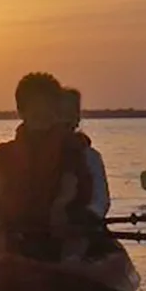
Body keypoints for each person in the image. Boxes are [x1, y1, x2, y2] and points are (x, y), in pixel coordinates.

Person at [0, 72, 116, 262]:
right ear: (21, 111)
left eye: (47, 112)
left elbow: (70, 184)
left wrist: (61, 209)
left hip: (62, 227)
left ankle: (70, 263)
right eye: (35, 112)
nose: (42, 119)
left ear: (56, 112)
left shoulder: (72, 149)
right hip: (19, 227)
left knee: (75, 230)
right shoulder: (4, 153)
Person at [61, 87, 110, 218]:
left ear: (77, 118)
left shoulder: (91, 156)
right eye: (61, 113)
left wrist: (88, 215)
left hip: (84, 224)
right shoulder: (35, 154)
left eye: (71, 113)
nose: (66, 119)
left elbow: (101, 201)